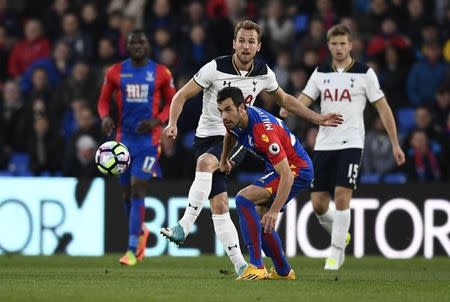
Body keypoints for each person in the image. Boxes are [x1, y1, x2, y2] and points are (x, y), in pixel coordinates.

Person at [160, 20, 342, 276]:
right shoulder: (215, 68)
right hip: (206, 137)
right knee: (221, 205)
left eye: (251, 41)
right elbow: (181, 95)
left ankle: (184, 226)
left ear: (258, 46)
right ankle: (243, 266)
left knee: (205, 165)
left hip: (237, 135)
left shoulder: (264, 73)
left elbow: (286, 100)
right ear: (234, 43)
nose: (246, 46)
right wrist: (172, 123)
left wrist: (317, 117)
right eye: (242, 40)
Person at [291, 24, 405, 270]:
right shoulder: (320, 73)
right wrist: (288, 104)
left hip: (352, 142)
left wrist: (395, 144)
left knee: (343, 194)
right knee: (319, 203)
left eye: (343, 43)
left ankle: (335, 251)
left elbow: (383, 108)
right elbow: (303, 100)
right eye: (334, 44)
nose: (339, 48)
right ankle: (340, 234)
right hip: (324, 143)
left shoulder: (365, 73)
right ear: (328, 46)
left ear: (351, 45)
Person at [217, 86, 313, 280]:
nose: (223, 116)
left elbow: (286, 175)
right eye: (220, 110)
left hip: (296, 170)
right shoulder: (233, 120)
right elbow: (230, 135)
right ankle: (284, 272)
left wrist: (275, 210)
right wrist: (223, 159)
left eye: (228, 109)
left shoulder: (263, 132)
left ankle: (256, 266)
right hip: (279, 168)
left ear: (242, 107)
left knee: (244, 199)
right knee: (260, 221)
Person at [97, 29, 176, 266]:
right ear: (127, 46)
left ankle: (132, 249)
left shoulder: (161, 72)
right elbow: (102, 101)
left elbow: (172, 102)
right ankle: (141, 233)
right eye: (133, 43)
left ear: (148, 45)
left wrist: (157, 121)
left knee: (138, 189)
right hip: (123, 141)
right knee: (126, 194)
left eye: (142, 42)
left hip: (149, 142)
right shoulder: (115, 72)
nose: (138, 46)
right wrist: (104, 118)